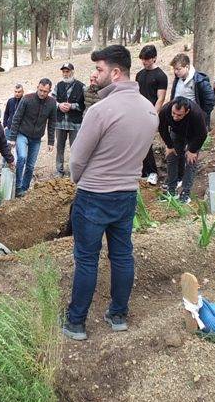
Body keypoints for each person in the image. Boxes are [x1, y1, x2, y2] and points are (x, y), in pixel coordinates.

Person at [62, 45, 158, 341]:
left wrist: (79, 180)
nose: (95, 75)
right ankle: (118, 315)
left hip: (94, 195)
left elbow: (77, 159)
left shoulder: (100, 110)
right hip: (127, 193)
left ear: (116, 73)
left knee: (87, 260)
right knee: (122, 255)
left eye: (100, 69)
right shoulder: (149, 110)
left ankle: (76, 322)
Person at [8, 78, 57, 197]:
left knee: (30, 165)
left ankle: (24, 188)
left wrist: (51, 141)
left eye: (45, 91)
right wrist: (12, 137)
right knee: (22, 157)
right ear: (37, 87)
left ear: (49, 91)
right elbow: (16, 118)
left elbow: (52, 123)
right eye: (40, 90)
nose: (42, 93)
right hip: (22, 134)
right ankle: (18, 186)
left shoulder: (52, 103)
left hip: (36, 138)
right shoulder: (27, 99)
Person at [158, 97, 208, 203]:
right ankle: (171, 189)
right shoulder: (165, 110)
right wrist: (169, 145)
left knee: (190, 161)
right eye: (174, 113)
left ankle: (186, 192)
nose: (175, 117)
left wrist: (192, 150)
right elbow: (162, 129)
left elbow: (202, 134)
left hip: (194, 135)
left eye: (179, 115)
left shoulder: (196, 114)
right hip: (177, 132)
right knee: (171, 157)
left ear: (187, 112)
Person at [135, 45, 168, 185]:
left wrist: (153, 114)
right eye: (142, 59)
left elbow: (161, 98)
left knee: (147, 143)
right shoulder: (139, 75)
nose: (144, 61)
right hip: (138, 112)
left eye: (147, 59)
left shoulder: (161, 75)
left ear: (154, 58)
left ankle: (153, 172)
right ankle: (142, 171)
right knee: (137, 142)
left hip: (151, 113)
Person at [53, 62, 86, 178]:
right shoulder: (58, 85)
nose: (65, 74)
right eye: (63, 72)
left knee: (75, 148)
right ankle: (59, 170)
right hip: (60, 122)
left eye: (67, 71)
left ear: (72, 72)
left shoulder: (82, 86)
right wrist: (59, 105)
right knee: (59, 148)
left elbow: (84, 105)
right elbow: (52, 100)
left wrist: (72, 106)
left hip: (75, 123)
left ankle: (74, 171)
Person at [168, 53, 215, 127]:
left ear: (187, 67)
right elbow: (173, 95)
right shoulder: (177, 78)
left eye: (178, 69)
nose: (175, 72)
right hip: (177, 117)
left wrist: (202, 117)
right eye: (174, 69)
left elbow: (210, 101)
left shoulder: (200, 81)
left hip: (193, 118)